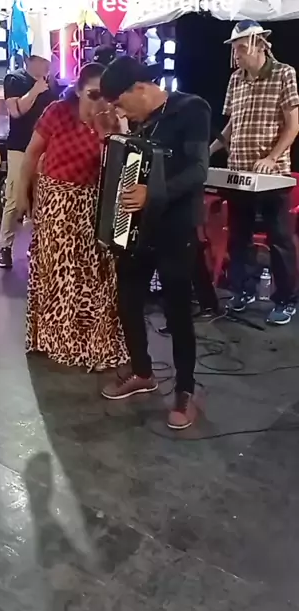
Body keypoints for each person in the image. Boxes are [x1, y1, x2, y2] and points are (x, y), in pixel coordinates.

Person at [99, 57, 211, 430]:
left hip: (176, 227)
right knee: (128, 297)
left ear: (140, 88)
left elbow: (198, 170)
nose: (120, 111)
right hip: (140, 230)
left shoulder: (191, 109)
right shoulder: (142, 123)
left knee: (177, 310)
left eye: (120, 102)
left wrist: (153, 193)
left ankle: (184, 389)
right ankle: (143, 372)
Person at [17, 63, 128, 371]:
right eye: (93, 94)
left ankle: (91, 342)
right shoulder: (57, 112)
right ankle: (53, 339)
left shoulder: (113, 122)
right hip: (56, 205)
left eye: (105, 95)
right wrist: (22, 194)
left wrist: (110, 132)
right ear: (78, 90)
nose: (99, 101)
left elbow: (120, 170)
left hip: (94, 206)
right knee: (57, 274)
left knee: (93, 277)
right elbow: (32, 154)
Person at [210, 20, 299, 325]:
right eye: (234, 49)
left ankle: (286, 299)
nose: (236, 55)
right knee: (239, 236)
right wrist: (209, 150)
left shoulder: (284, 74)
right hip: (239, 170)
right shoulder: (236, 79)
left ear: (259, 45)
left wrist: (272, 158)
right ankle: (242, 290)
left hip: (272, 175)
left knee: (279, 238)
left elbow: (293, 125)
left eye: (240, 48)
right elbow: (232, 125)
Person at [0, 54, 55, 269]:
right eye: (42, 61)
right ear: (30, 60)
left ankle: (37, 244)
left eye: (48, 61)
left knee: (40, 199)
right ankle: (5, 247)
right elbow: (15, 111)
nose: (47, 65)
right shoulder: (15, 79)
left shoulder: (51, 84)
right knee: (14, 198)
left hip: (44, 150)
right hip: (20, 148)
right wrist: (35, 90)